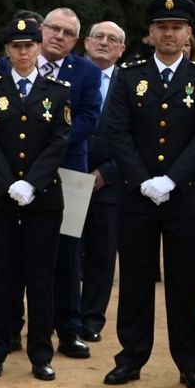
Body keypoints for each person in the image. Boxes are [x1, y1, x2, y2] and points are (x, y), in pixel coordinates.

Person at [100, 0, 195, 388]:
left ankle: (190, 363)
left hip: (187, 197)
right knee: (135, 281)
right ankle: (131, 358)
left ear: (188, 33)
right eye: (161, 27)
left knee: (185, 284)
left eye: (176, 27)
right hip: (137, 197)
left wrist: (171, 180)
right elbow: (117, 133)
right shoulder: (128, 76)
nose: (169, 33)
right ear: (149, 34)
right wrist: (142, 180)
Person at [0, 17, 72, 379]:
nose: (23, 52)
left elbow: (60, 141)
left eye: (29, 45)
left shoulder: (58, 90)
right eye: (16, 46)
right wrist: (8, 180)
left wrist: (32, 182)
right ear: (8, 51)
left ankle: (41, 354)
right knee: (0, 276)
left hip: (43, 199)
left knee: (41, 277)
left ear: (38, 47)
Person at [34, 8, 103, 359]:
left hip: (70, 171)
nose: (59, 36)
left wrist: (52, 146)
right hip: (24, 172)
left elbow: (90, 117)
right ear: (41, 30)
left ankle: (69, 329)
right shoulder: (15, 63)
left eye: (68, 33)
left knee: (68, 254)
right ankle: (25, 328)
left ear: (77, 41)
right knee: (25, 252)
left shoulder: (88, 72)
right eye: (54, 29)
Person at [80, 19, 128, 340]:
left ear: (121, 51)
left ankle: (91, 318)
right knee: (64, 251)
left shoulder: (130, 82)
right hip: (67, 177)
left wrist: (107, 173)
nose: (104, 42)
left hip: (110, 183)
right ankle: (64, 314)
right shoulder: (68, 75)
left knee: (101, 252)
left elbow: (141, 136)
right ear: (86, 42)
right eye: (99, 36)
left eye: (113, 39)